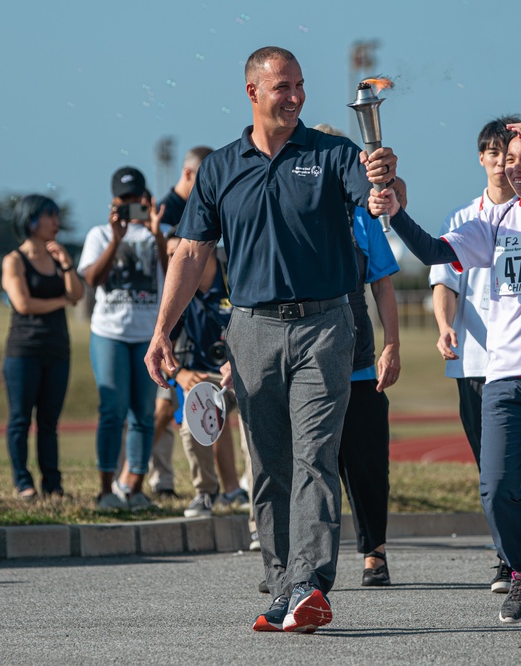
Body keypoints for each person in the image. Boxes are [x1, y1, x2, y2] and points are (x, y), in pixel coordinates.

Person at [143, 46, 398, 634]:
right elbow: (191, 252)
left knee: (314, 454)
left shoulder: (334, 154)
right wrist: (163, 331)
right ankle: (282, 587)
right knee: (269, 464)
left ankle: (310, 585)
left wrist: (385, 184)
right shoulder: (220, 168)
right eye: (283, 87)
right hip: (251, 328)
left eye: (301, 86)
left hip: (326, 326)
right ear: (253, 92)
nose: (296, 96)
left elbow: (375, 191)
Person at [370, 119, 521, 637]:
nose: (516, 168)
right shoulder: (494, 223)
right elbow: (433, 252)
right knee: (496, 489)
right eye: (511, 158)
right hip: (503, 378)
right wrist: (396, 212)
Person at [428, 116, 521, 593]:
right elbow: (444, 281)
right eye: (494, 154)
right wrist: (442, 327)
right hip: (475, 362)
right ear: (482, 159)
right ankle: (510, 558)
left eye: (510, 154)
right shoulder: (462, 219)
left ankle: (520, 555)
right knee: (491, 467)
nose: (501, 162)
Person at [316, 121, 403, 588]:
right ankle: (296, 561)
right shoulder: (292, 213)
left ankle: (375, 552)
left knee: (366, 463)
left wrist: (392, 344)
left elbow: (383, 284)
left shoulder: (362, 217)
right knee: (307, 463)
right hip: (305, 361)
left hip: (358, 361)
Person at [78, 167, 168, 511]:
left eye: (137, 200)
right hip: (110, 334)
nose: (131, 206)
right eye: (124, 200)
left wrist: (158, 234)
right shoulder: (99, 235)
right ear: (113, 202)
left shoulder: (158, 233)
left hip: (146, 335)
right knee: (112, 410)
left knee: (144, 414)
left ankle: (135, 489)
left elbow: (171, 274)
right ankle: (105, 489)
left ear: (147, 200)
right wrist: (116, 238)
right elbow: (93, 279)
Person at [156, 232, 247, 518]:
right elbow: (159, 351)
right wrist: (180, 375)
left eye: (176, 253)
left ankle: (258, 509)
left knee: (254, 436)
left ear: (200, 250)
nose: (171, 261)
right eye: (168, 255)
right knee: (194, 414)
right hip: (202, 377)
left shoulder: (235, 275)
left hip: (244, 371)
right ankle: (206, 492)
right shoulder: (178, 293)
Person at [1, 194, 84, 500]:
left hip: (57, 350)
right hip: (24, 350)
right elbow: (23, 304)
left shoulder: (57, 256)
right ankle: (23, 482)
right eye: (50, 216)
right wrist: (61, 300)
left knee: (49, 422)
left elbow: (76, 294)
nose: (56, 222)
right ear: (31, 220)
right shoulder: (14, 260)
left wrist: (66, 264)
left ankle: (53, 484)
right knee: (21, 419)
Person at [142, 146, 214, 499]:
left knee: (180, 406)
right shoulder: (165, 212)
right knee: (162, 408)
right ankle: (137, 476)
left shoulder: (204, 204)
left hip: (199, 317)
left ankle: (217, 486)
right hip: (171, 319)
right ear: (188, 174)